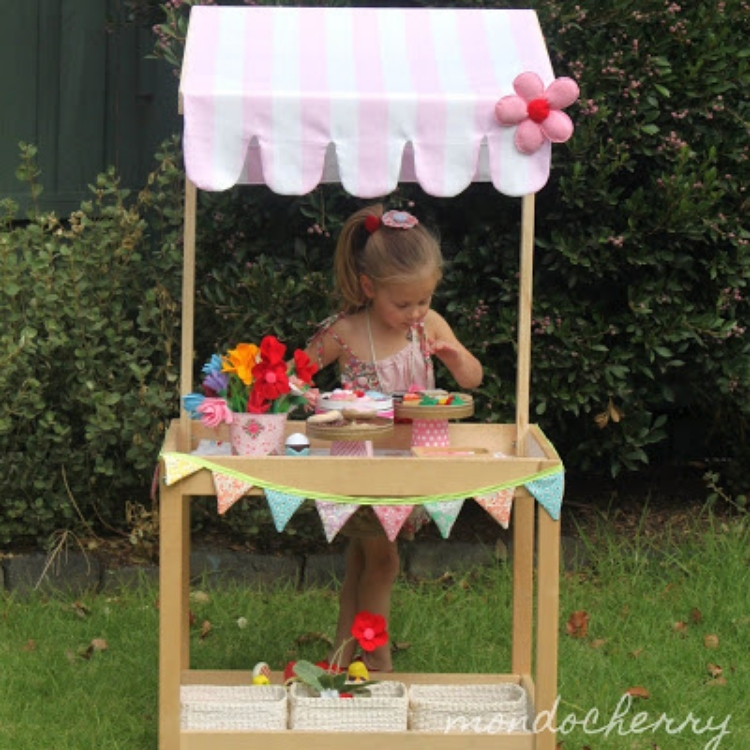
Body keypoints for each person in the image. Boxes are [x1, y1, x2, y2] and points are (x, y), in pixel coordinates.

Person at [305, 204, 483, 672]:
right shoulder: (345, 333)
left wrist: (454, 355)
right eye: (402, 304)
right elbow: (291, 374)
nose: (415, 312)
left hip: (410, 468)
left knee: (363, 563)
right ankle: (378, 664)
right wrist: (306, 395)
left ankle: (341, 657)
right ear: (369, 287)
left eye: (423, 300)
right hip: (358, 467)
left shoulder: (429, 327)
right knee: (384, 564)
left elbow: (472, 380)